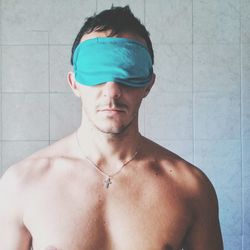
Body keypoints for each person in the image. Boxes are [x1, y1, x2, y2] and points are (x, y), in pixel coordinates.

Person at [0, 5, 223, 250]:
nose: (112, 91)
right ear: (74, 84)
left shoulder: (191, 187)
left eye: (129, 72)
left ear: (148, 84)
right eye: (96, 73)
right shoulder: (21, 184)